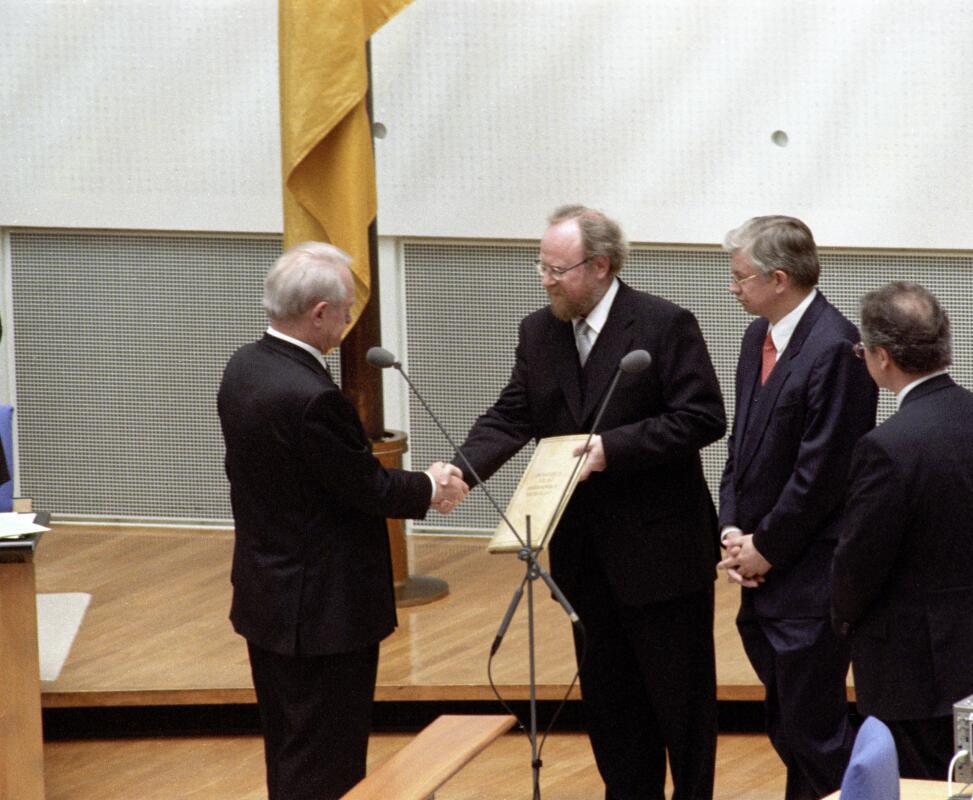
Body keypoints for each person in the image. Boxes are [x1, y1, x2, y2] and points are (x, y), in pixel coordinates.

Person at [454, 205, 726, 799]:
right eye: (542, 267)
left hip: (662, 556)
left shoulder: (662, 325)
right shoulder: (538, 330)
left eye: (558, 269)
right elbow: (512, 415)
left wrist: (611, 449)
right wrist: (461, 471)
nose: (546, 280)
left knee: (680, 707)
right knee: (611, 706)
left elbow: (703, 417)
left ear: (601, 266)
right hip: (584, 556)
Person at [217, 241, 469, 799]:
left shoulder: (245, 366)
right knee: (327, 764)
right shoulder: (311, 397)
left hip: (270, 599)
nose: (352, 320)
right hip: (323, 614)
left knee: (289, 750)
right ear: (319, 314)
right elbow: (365, 487)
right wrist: (430, 486)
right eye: (348, 309)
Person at [831, 281, 973, 778]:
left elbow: (860, 562)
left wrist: (840, 616)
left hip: (911, 668)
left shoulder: (885, 446)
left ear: (881, 357)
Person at [716, 216, 878, 800]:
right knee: (788, 727)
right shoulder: (754, 336)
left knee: (817, 735)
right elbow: (741, 447)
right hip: (761, 570)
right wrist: (732, 529)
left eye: (739, 278)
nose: (731, 288)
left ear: (778, 278)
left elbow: (823, 475)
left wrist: (765, 548)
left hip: (808, 577)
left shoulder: (835, 348)